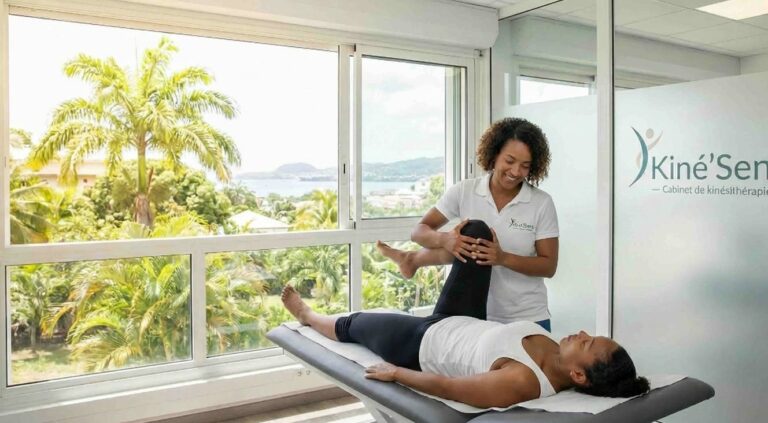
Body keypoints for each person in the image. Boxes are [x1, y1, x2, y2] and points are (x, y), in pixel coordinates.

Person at [282, 220, 649, 409]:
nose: (581, 332)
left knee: (355, 323)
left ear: (578, 375)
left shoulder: (522, 382)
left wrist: (396, 373)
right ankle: (414, 259)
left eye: (586, 342)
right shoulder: (554, 347)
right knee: (476, 233)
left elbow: (449, 388)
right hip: (460, 317)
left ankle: (309, 317)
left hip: (422, 343)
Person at [377, 117, 559, 330]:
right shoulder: (465, 191)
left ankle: (413, 259)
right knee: (471, 235)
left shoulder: (541, 202)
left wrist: (502, 258)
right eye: (509, 161)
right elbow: (418, 232)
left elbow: (548, 266)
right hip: (475, 317)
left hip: (528, 318)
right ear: (494, 155)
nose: (516, 172)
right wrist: (446, 239)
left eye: (525, 166)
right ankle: (412, 259)